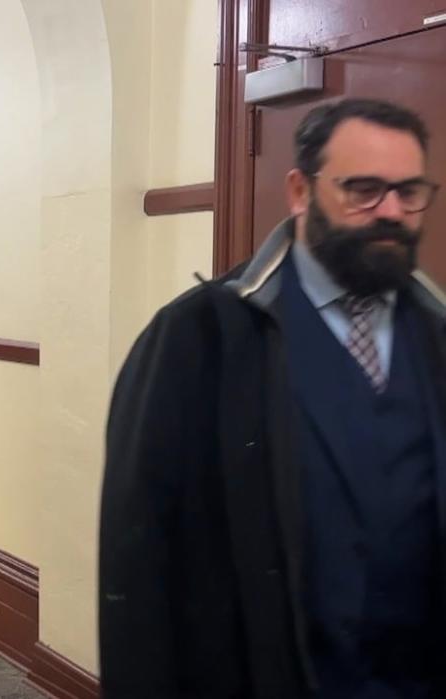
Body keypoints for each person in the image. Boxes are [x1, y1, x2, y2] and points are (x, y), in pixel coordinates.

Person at [100, 98, 445, 697]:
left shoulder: (436, 336)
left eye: (409, 191)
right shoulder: (200, 338)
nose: (390, 211)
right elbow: (139, 562)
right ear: (300, 191)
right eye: (363, 189)